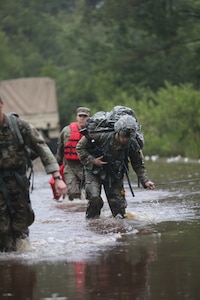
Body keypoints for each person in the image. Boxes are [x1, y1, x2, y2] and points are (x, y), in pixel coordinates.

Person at [0, 96, 67, 252]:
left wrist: (57, 178)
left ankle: (23, 267)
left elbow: (42, 148)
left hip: (18, 182)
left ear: (2, 104)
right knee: (2, 229)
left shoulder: (19, 126)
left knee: (21, 225)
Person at [76, 114, 155, 219]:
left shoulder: (132, 144)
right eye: (123, 135)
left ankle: (120, 229)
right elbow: (80, 147)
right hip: (94, 172)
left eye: (128, 137)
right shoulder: (100, 135)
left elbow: (138, 164)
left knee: (119, 211)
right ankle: (92, 224)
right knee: (94, 198)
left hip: (114, 175)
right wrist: (93, 161)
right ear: (117, 132)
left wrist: (145, 181)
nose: (125, 139)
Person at [56, 106, 90, 200]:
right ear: (77, 117)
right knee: (74, 194)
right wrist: (56, 169)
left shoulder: (92, 132)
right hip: (70, 167)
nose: (82, 118)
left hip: (87, 167)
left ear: (88, 118)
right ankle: (74, 212)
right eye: (80, 116)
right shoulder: (66, 131)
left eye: (85, 116)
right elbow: (60, 149)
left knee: (90, 195)